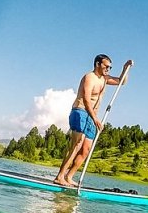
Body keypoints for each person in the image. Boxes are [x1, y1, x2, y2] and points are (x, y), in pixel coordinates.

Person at [54, 54, 133, 186]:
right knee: (76, 145)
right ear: (97, 64)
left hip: (92, 117)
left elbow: (121, 81)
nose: (108, 69)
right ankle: (60, 176)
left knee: (85, 149)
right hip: (80, 112)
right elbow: (86, 99)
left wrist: (126, 68)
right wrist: (96, 119)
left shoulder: (105, 79)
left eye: (110, 67)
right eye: (106, 66)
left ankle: (69, 176)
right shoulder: (89, 78)